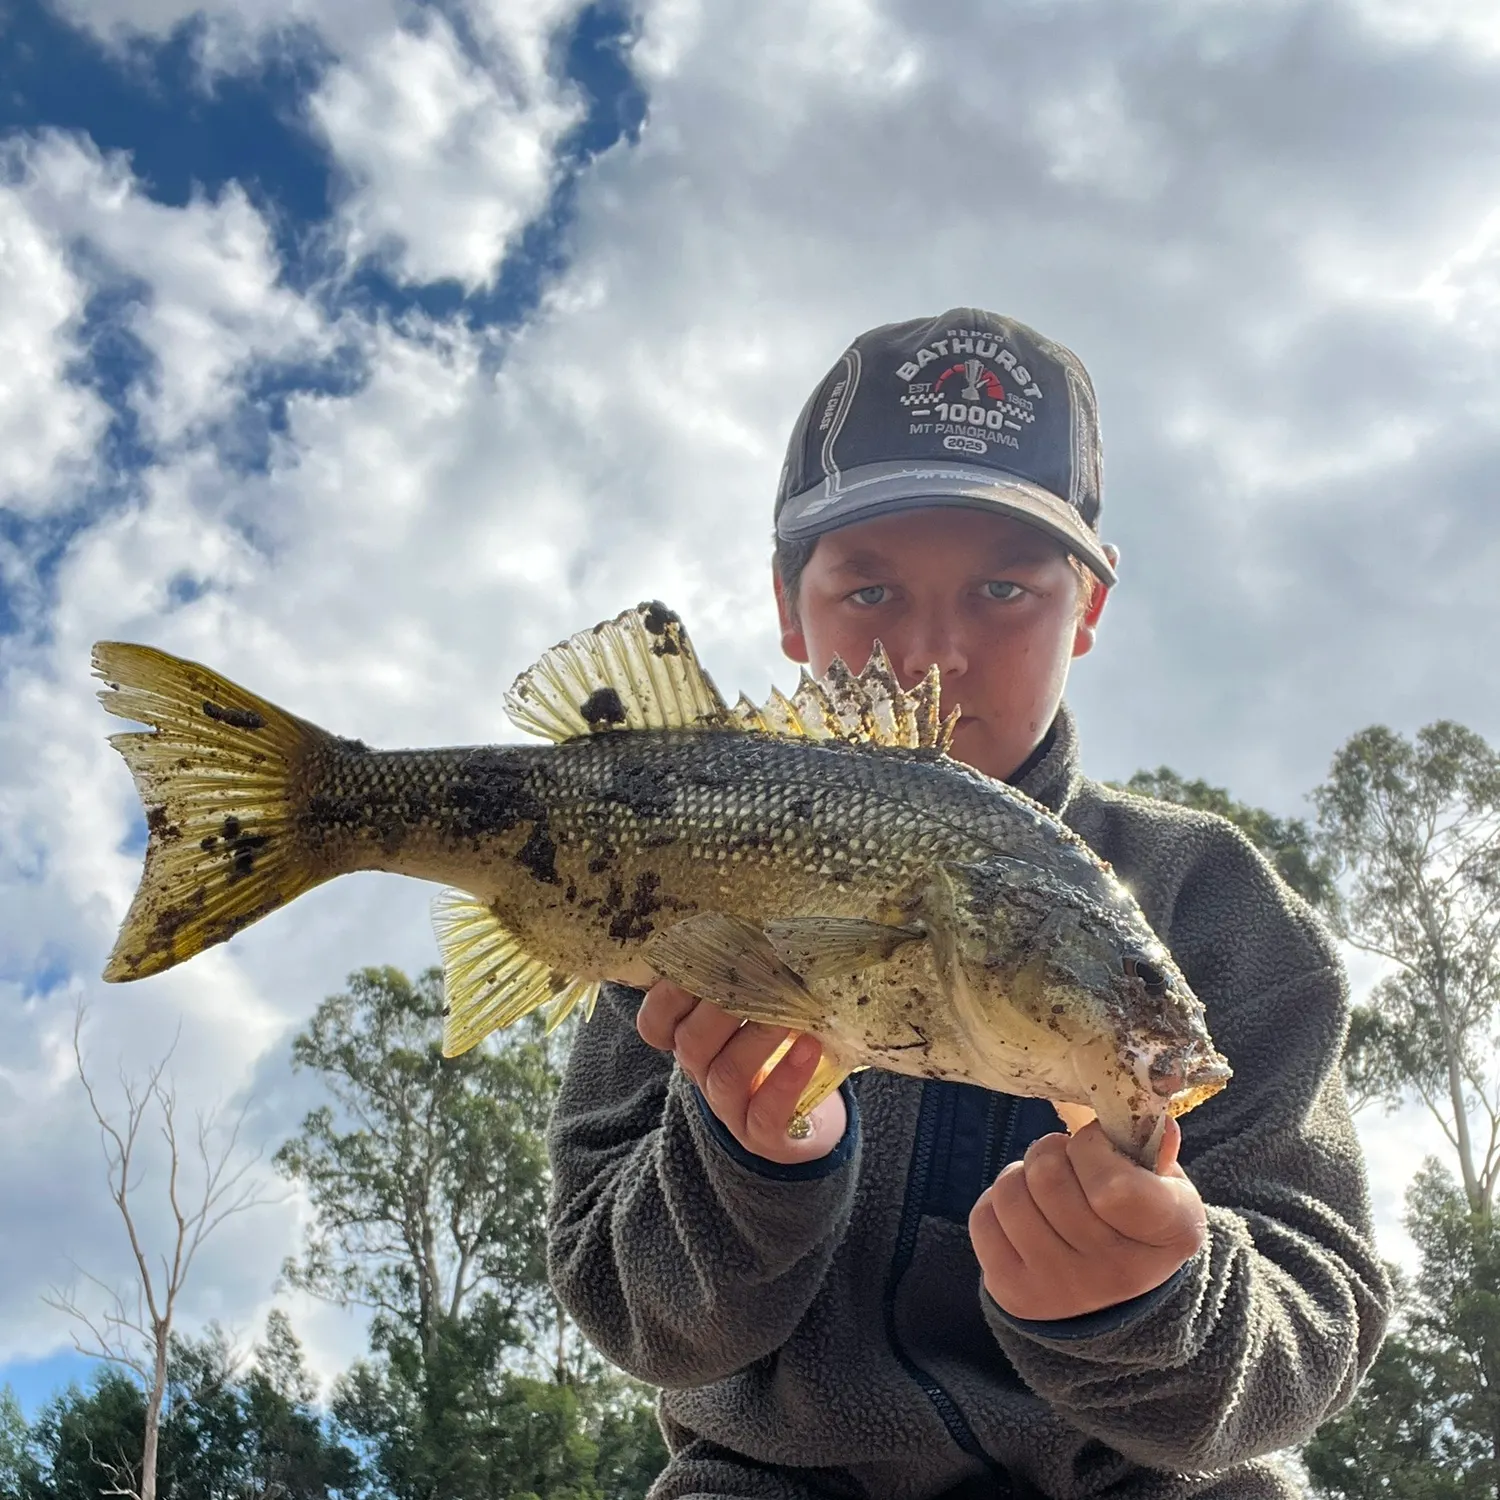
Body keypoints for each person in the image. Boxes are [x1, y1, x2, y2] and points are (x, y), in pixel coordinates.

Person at [545, 308, 1390, 1499]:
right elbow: (636, 1319)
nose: (933, 652)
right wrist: (749, 1160)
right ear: (790, 607)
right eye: (871, 592)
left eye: (1004, 589)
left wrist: (1153, 1305)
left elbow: (1319, 1325)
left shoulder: (1221, 910)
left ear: (1087, 609)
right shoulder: (683, 883)